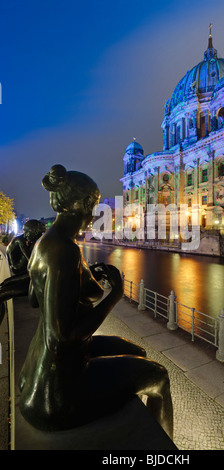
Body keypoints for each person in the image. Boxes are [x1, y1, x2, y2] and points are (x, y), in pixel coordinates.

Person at [11, 164, 173, 438]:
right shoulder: (67, 251)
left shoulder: (43, 243)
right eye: (93, 206)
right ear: (82, 205)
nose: (94, 214)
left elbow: (34, 301)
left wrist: (83, 277)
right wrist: (114, 296)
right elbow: (59, 340)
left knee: (137, 351)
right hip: (57, 395)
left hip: (34, 375)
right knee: (158, 376)